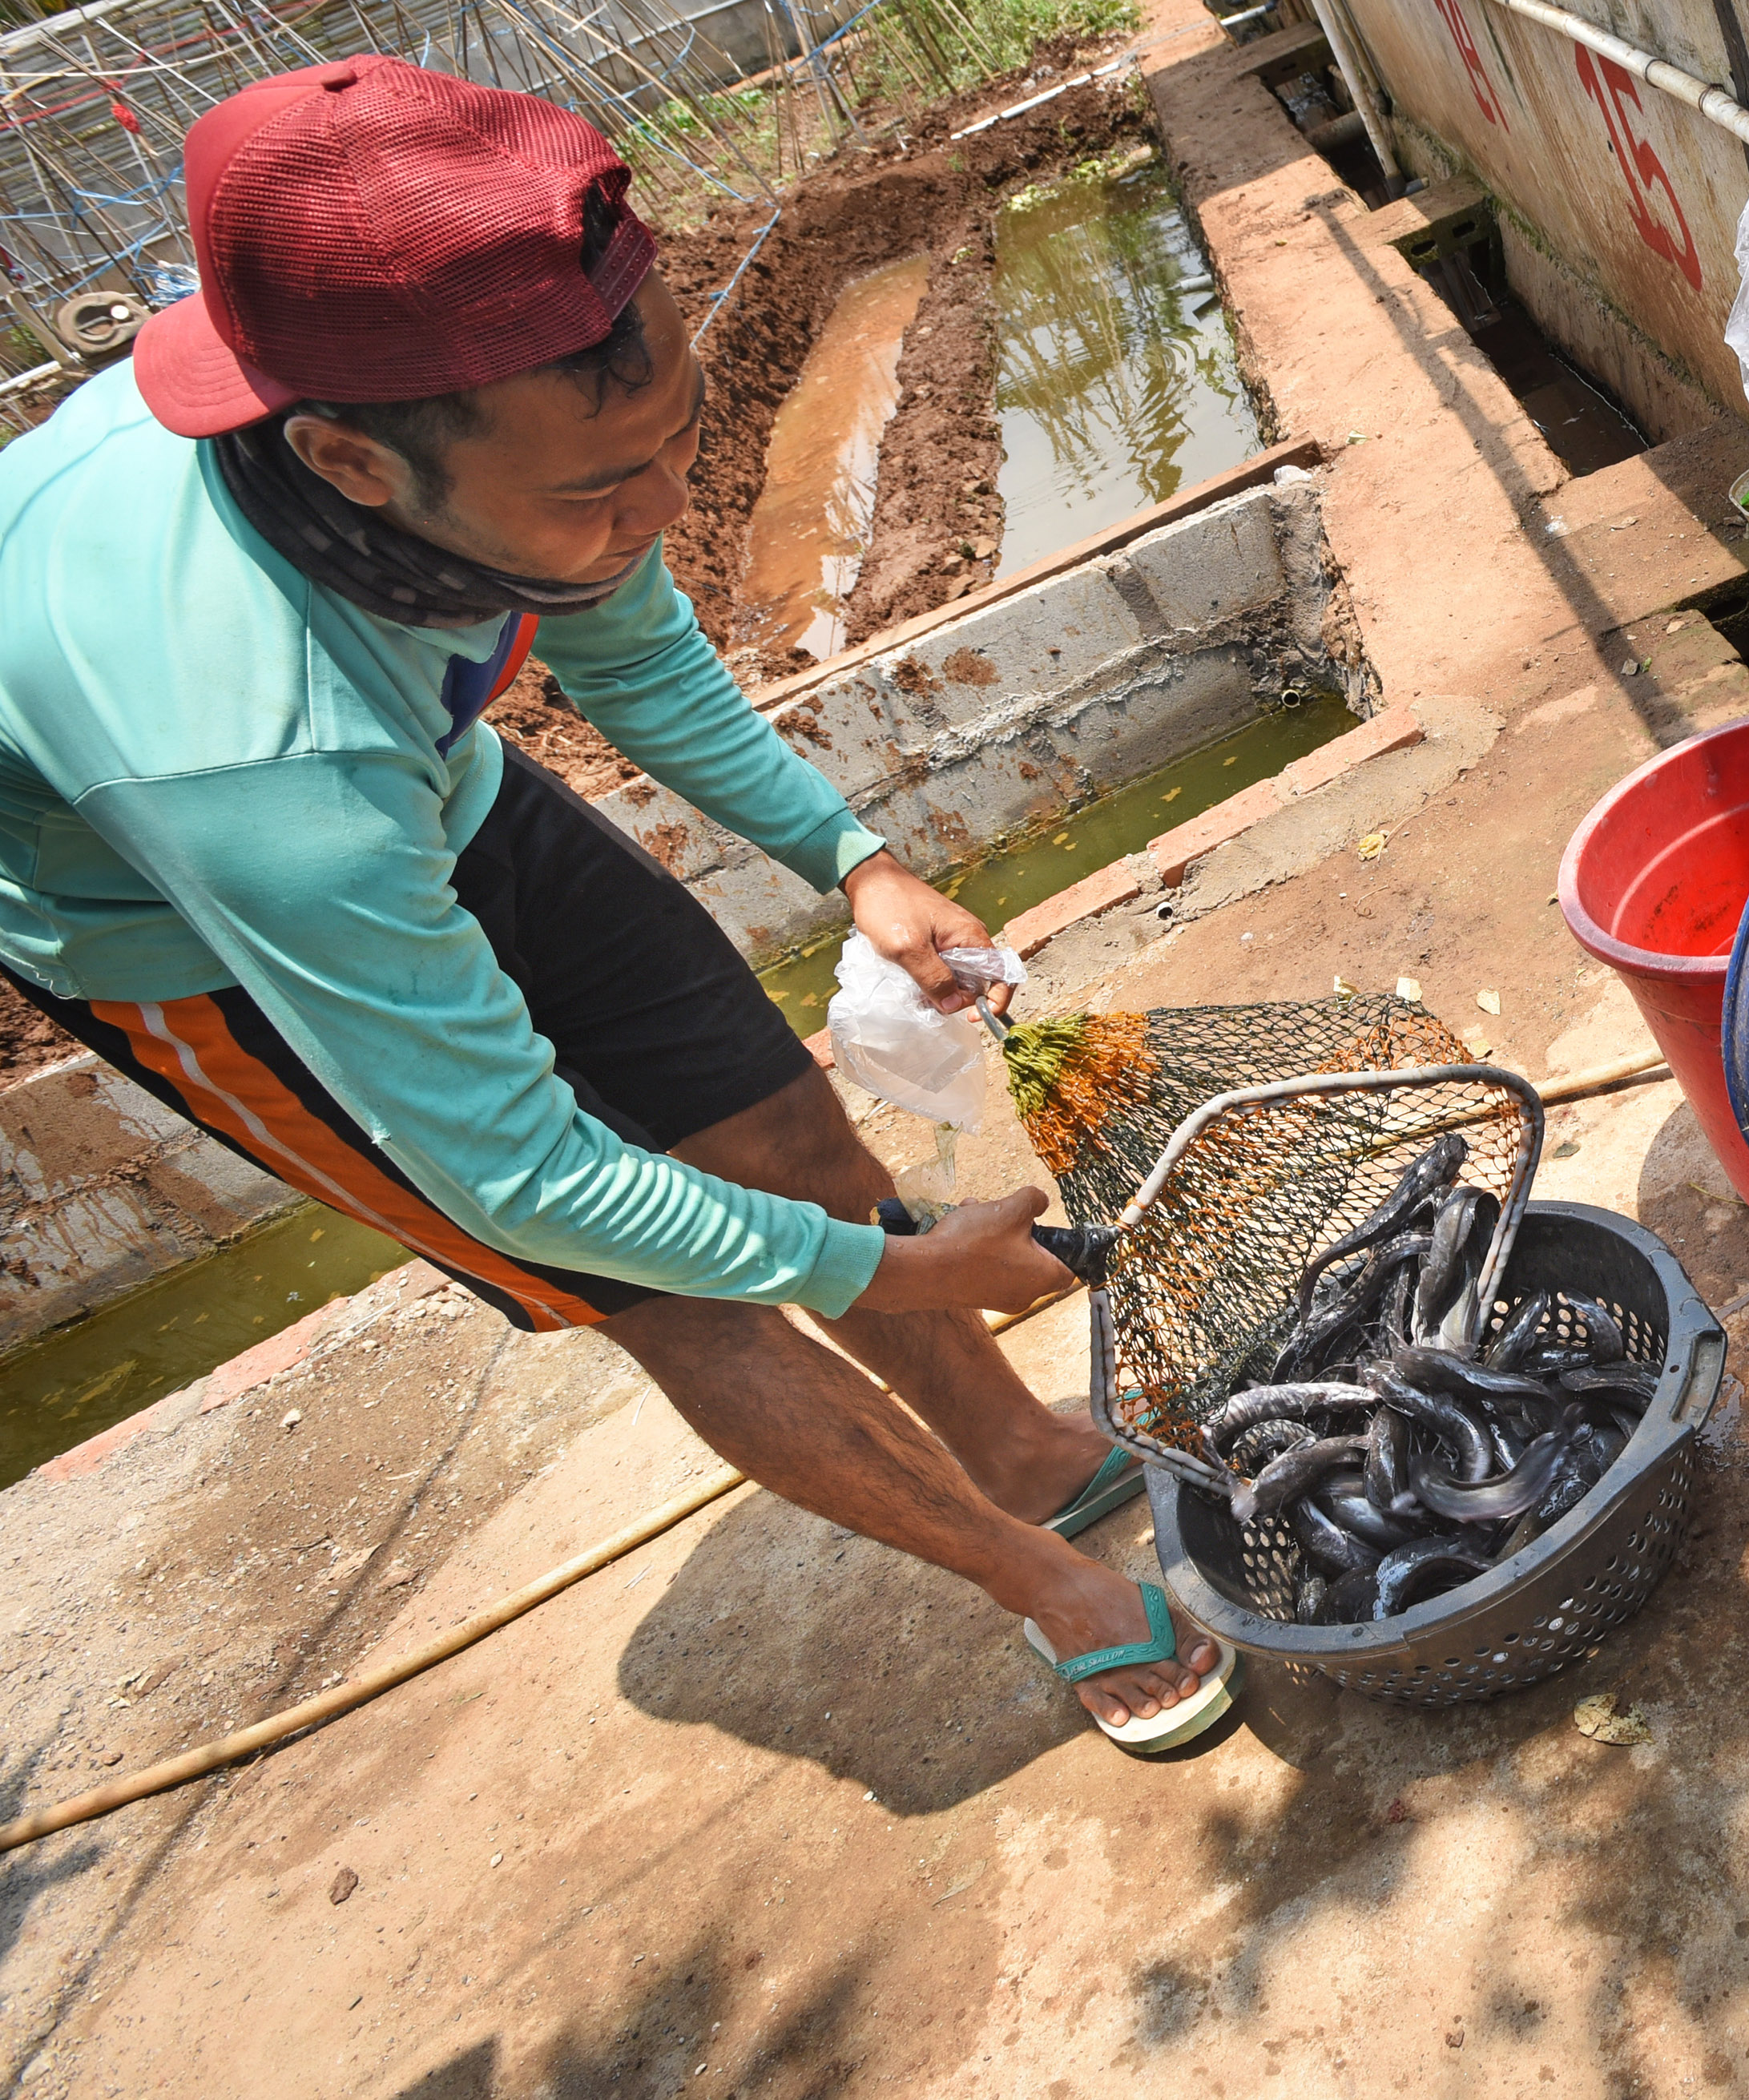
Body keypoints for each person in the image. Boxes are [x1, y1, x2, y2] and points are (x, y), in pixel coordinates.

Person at [0, 56, 1223, 1743]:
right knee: (674, 1286)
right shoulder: (244, 749)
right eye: (597, 493)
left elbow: (633, 641)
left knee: (776, 1127)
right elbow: (526, 1174)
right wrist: (891, 1275)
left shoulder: (465, 395)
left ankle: (1011, 1442)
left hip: (429, 786)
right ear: (349, 466)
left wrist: (850, 859)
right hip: (196, 938)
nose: (654, 515)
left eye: (671, 449)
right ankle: (1046, 1580)